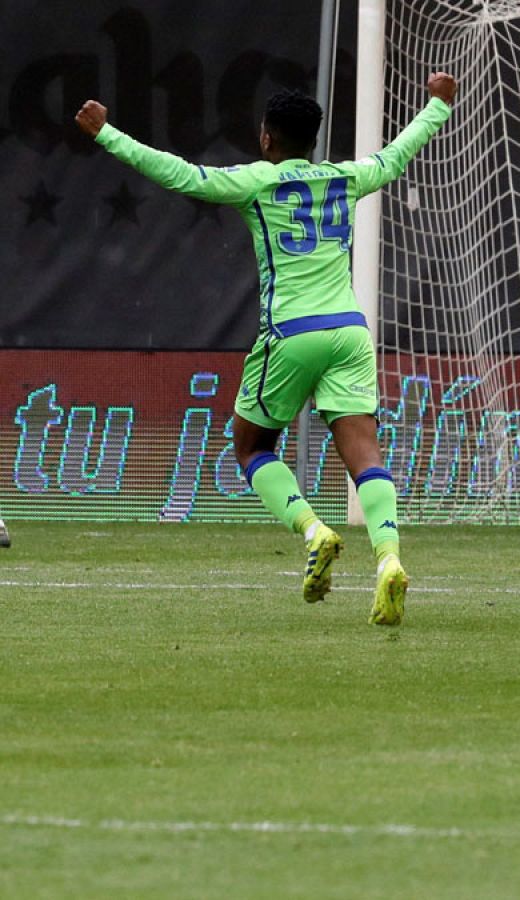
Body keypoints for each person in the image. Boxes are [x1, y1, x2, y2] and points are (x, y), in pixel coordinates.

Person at [75, 73, 459, 626]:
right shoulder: (344, 176)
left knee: (251, 446)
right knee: (365, 454)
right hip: (350, 332)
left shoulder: (256, 181)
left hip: (291, 333)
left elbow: (178, 173)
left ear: (266, 139)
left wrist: (107, 133)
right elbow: (395, 156)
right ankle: (389, 559)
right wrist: (437, 107)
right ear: (313, 142)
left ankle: (313, 531)